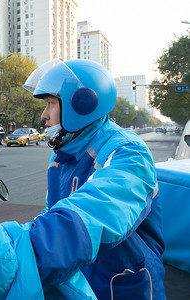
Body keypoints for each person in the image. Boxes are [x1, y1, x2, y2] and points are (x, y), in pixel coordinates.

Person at [25, 59, 165, 299]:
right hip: (80, 283)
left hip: (124, 286)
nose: (44, 115)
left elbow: (96, 213)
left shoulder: (128, 152)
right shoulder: (61, 156)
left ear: (81, 104)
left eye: (50, 104)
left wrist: (18, 249)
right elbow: (52, 213)